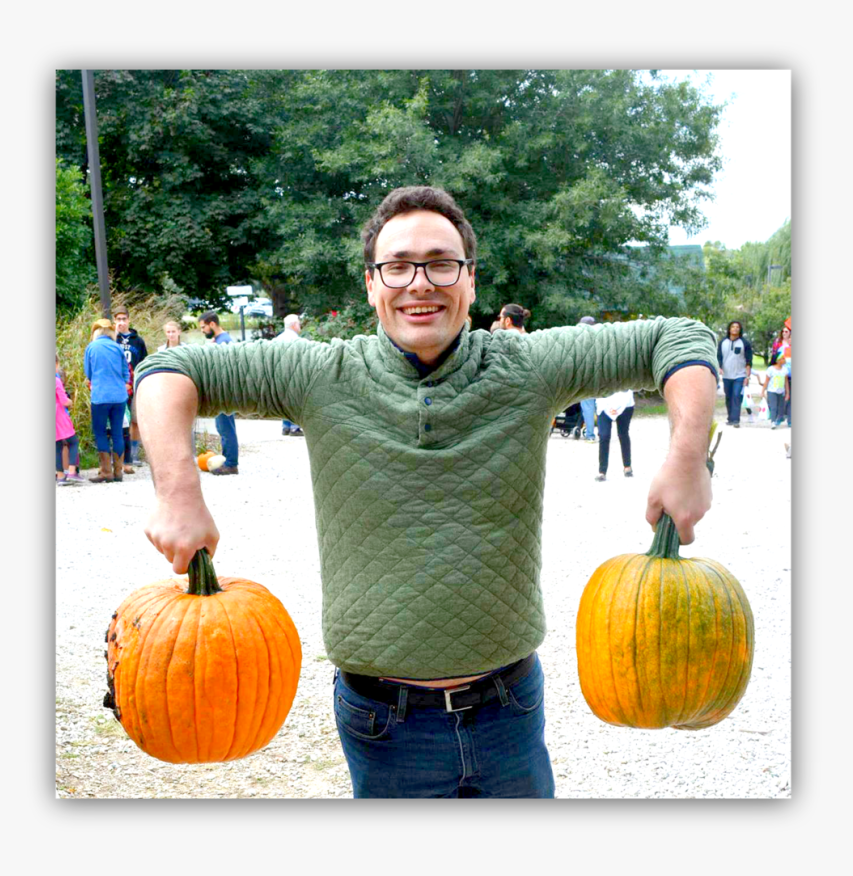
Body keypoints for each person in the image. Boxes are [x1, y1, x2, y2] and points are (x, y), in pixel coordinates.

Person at [134, 185, 719, 799]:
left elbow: (678, 338)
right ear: (371, 283)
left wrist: (686, 459)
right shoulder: (318, 374)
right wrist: (178, 491)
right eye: (398, 265)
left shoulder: (530, 366)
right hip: (383, 722)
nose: (420, 282)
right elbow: (168, 371)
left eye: (441, 263)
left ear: (469, 280)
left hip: (509, 708)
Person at [84, 319, 130, 483]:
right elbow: (126, 373)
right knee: (118, 432)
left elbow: (88, 373)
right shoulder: (117, 348)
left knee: (100, 431)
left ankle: (106, 472)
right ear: (111, 332)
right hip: (119, 396)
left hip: (101, 396)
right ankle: (118, 473)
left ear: (95, 332)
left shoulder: (91, 347)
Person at [197, 311, 240, 475]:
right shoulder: (222, 340)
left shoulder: (223, 342)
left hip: (224, 391)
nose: (202, 331)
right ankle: (228, 460)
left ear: (212, 324)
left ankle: (230, 463)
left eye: (203, 327)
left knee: (225, 426)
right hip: (223, 390)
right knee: (223, 426)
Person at [114, 307, 149, 471]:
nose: (121, 322)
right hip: (117, 386)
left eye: (123, 319)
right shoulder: (112, 339)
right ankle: (119, 455)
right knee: (119, 421)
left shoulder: (138, 341)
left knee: (134, 420)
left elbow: (144, 362)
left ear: (128, 320)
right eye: (118, 319)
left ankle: (134, 453)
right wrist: (114, 335)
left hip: (134, 385)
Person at [717, 320, 752, 428]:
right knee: (729, 397)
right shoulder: (722, 342)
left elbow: (748, 361)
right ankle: (730, 418)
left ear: (740, 329)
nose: (735, 329)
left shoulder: (744, 343)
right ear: (729, 329)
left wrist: (747, 376)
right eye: (733, 327)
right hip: (727, 375)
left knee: (737, 396)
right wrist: (719, 368)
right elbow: (719, 358)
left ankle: (736, 420)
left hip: (740, 375)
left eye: (737, 327)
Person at [594, 390, 635, 482]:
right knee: (604, 436)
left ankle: (627, 466)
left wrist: (617, 409)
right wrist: (608, 408)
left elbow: (627, 390)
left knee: (623, 434)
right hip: (604, 405)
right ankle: (602, 471)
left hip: (625, 404)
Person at [56, 354, 84, 485]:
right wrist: (70, 402)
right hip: (59, 416)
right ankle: (72, 472)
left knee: (56, 447)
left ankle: (60, 476)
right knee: (73, 442)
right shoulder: (56, 381)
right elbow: (63, 401)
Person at [277, 314, 304, 437]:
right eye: (298, 323)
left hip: (279, 374)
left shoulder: (277, 339)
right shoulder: (297, 341)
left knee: (284, 400)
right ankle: (295, 427)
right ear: (294, 325)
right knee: (295, 400)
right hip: (293, 374)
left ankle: (285, 427)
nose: (300, 326)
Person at [577, 316, 598, 442]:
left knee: (588, 407)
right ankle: (603, 432)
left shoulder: (581, 340)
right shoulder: (600, 338)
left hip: (587, 378)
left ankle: (590, 435)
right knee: (600, 407)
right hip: (601, 377)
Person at [761, 351, 790, 428]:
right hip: (772, 391)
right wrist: (763, 391)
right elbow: (766, 381)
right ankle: (773, 421)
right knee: (773, 407)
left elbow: (786, 382)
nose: (785, 359)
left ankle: (778, 419)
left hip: (781, 392)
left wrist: (787, 393)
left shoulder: (785, 370)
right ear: (778, 360)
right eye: (783, 358)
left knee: (781, 407)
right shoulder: (771, 369)